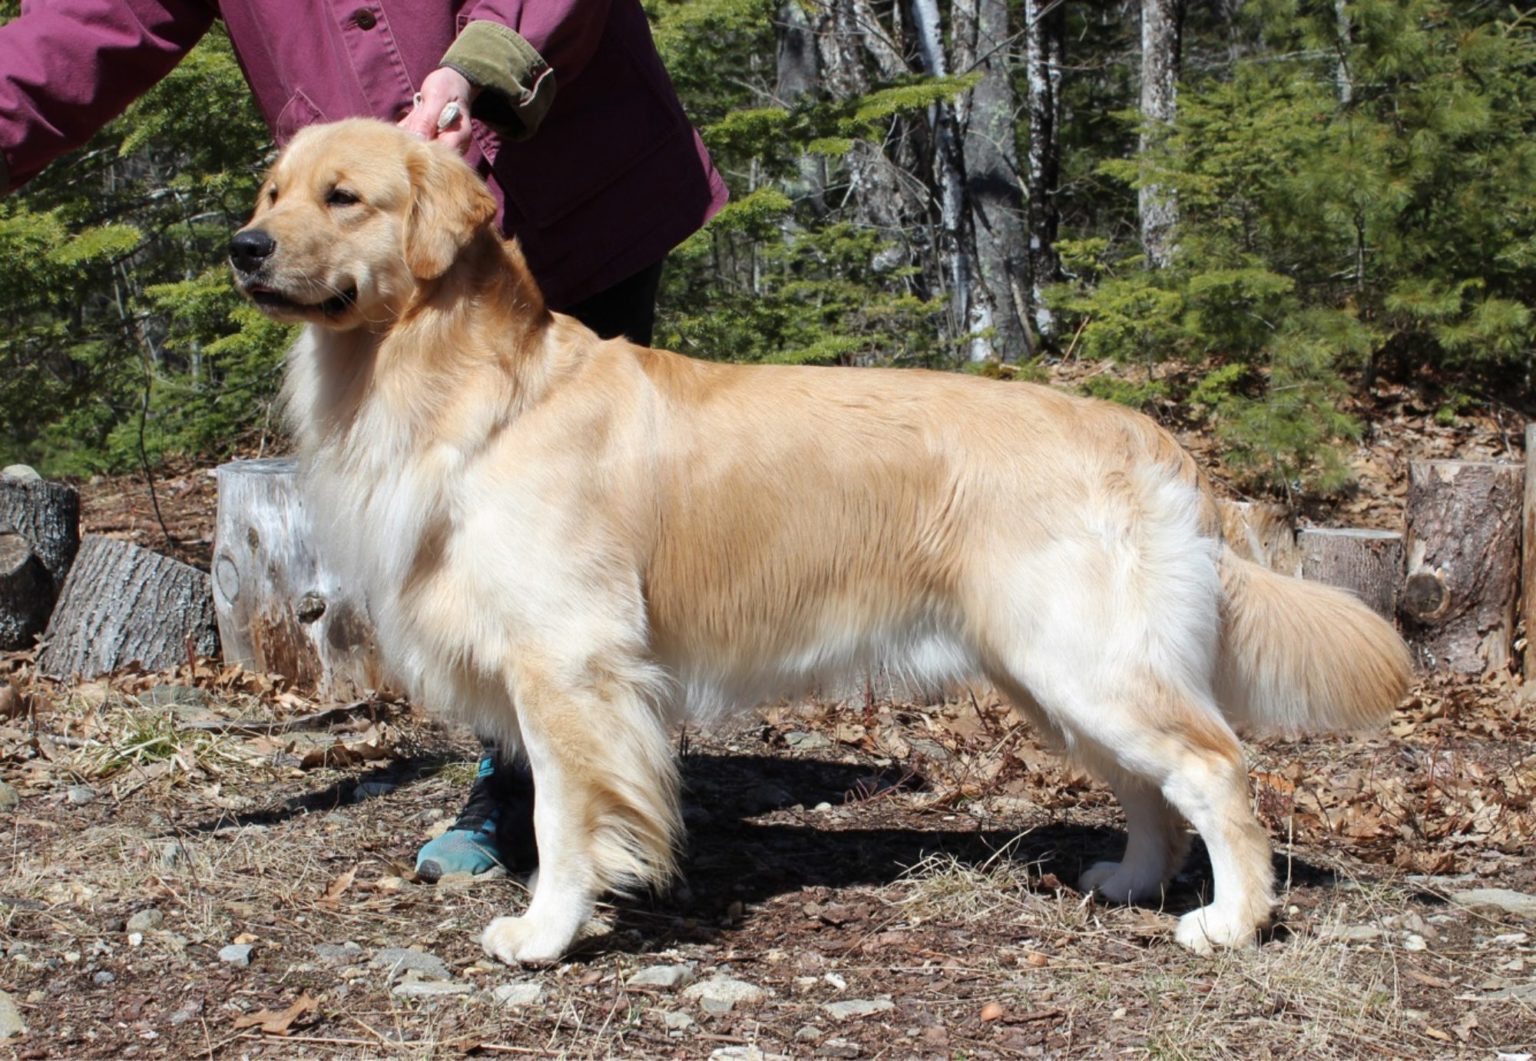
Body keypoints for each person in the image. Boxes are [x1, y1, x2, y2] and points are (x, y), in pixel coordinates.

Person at [0, 0, 727, 881]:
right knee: (466, 545)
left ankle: (541, 801)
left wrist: (476, 73)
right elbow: (88, 23)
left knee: (558, 546)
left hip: (572, 180)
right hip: (370, 245)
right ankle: (548, 783)